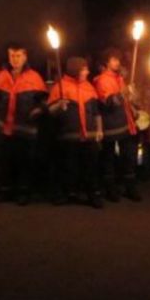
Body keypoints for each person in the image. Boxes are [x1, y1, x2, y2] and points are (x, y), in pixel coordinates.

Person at [0, 43, 48, 205]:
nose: (14, 59)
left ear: (25, 57)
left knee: (24, 162)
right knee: (4, 161)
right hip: (4, 128)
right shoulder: (1, 76)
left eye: (18, 56)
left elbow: (44, 101)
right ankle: (4, 191)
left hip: (25, 128)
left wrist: (38, 110)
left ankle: (23, 192)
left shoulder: (34, 77)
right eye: (12, 56)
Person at [48, 56, 104, 208]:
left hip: (89, 136)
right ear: (75, 70)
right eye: (84, 69)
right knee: (68, 167)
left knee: (91, 167)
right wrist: (59, 105)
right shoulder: (60, 87)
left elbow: (96, 112)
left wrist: (99, 129)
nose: (87, 72)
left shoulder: (89, 87)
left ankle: (93, 195)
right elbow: (50, 112)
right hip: (68, 136)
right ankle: (66, 193)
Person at [94, 47, 142, 202]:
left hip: (125, 123)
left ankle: (130, 188)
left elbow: (125, 101)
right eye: (114, 59)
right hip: (111, 125)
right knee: (109, 158)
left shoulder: (119, 78)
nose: (117, 62)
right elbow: (109, 102)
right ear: (107, 62)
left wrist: (133, 107)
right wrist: (124, 93)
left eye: (118, 59)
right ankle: (111, 190)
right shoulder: (102, 80)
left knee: (129, 157)